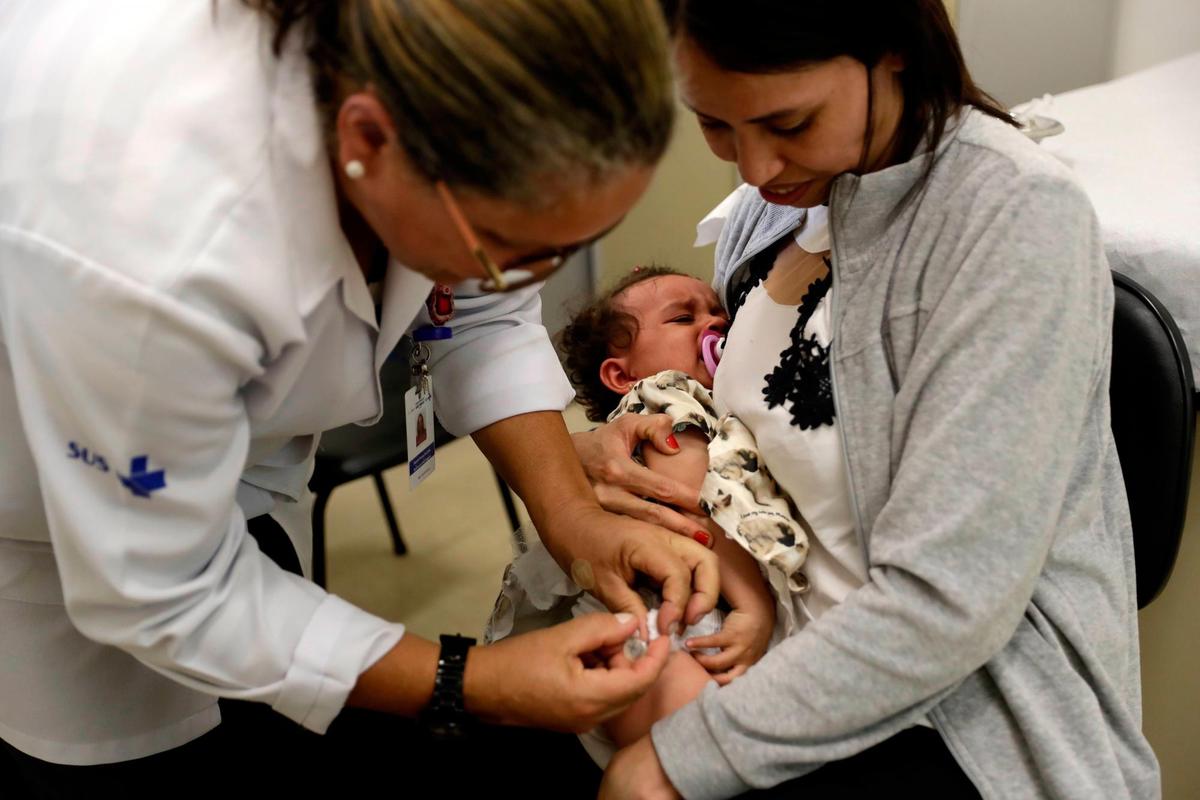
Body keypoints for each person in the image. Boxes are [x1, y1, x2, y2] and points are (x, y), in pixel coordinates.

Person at [0, 1, 722, 795]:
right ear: (368, 140)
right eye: (513, 249)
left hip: (221, 468)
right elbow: (163, 585)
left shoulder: (431, 107)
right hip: (50, 512)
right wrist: (465, 681)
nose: (533, 279)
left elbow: (474, 301)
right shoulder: (153, 246)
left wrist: (574, 520)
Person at [583, 1, 1161, 798]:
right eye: (715, 126)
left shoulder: (1013, 217)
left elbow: (944, 604)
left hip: (953, 711)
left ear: (890, 47)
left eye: (789, 121)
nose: (752, 166)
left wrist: (681, 757)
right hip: (777, 649)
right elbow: (731, 425)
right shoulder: (781, 203)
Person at [491, 265, 819, 765]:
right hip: (665, 608)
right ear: (622, 374)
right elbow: (698, 508)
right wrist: (754, 605)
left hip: (678, 608)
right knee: (687, 736)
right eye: (682, 317)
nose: (713, 323)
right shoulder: (663, 400)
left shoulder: (716, 404)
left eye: (716, 311)